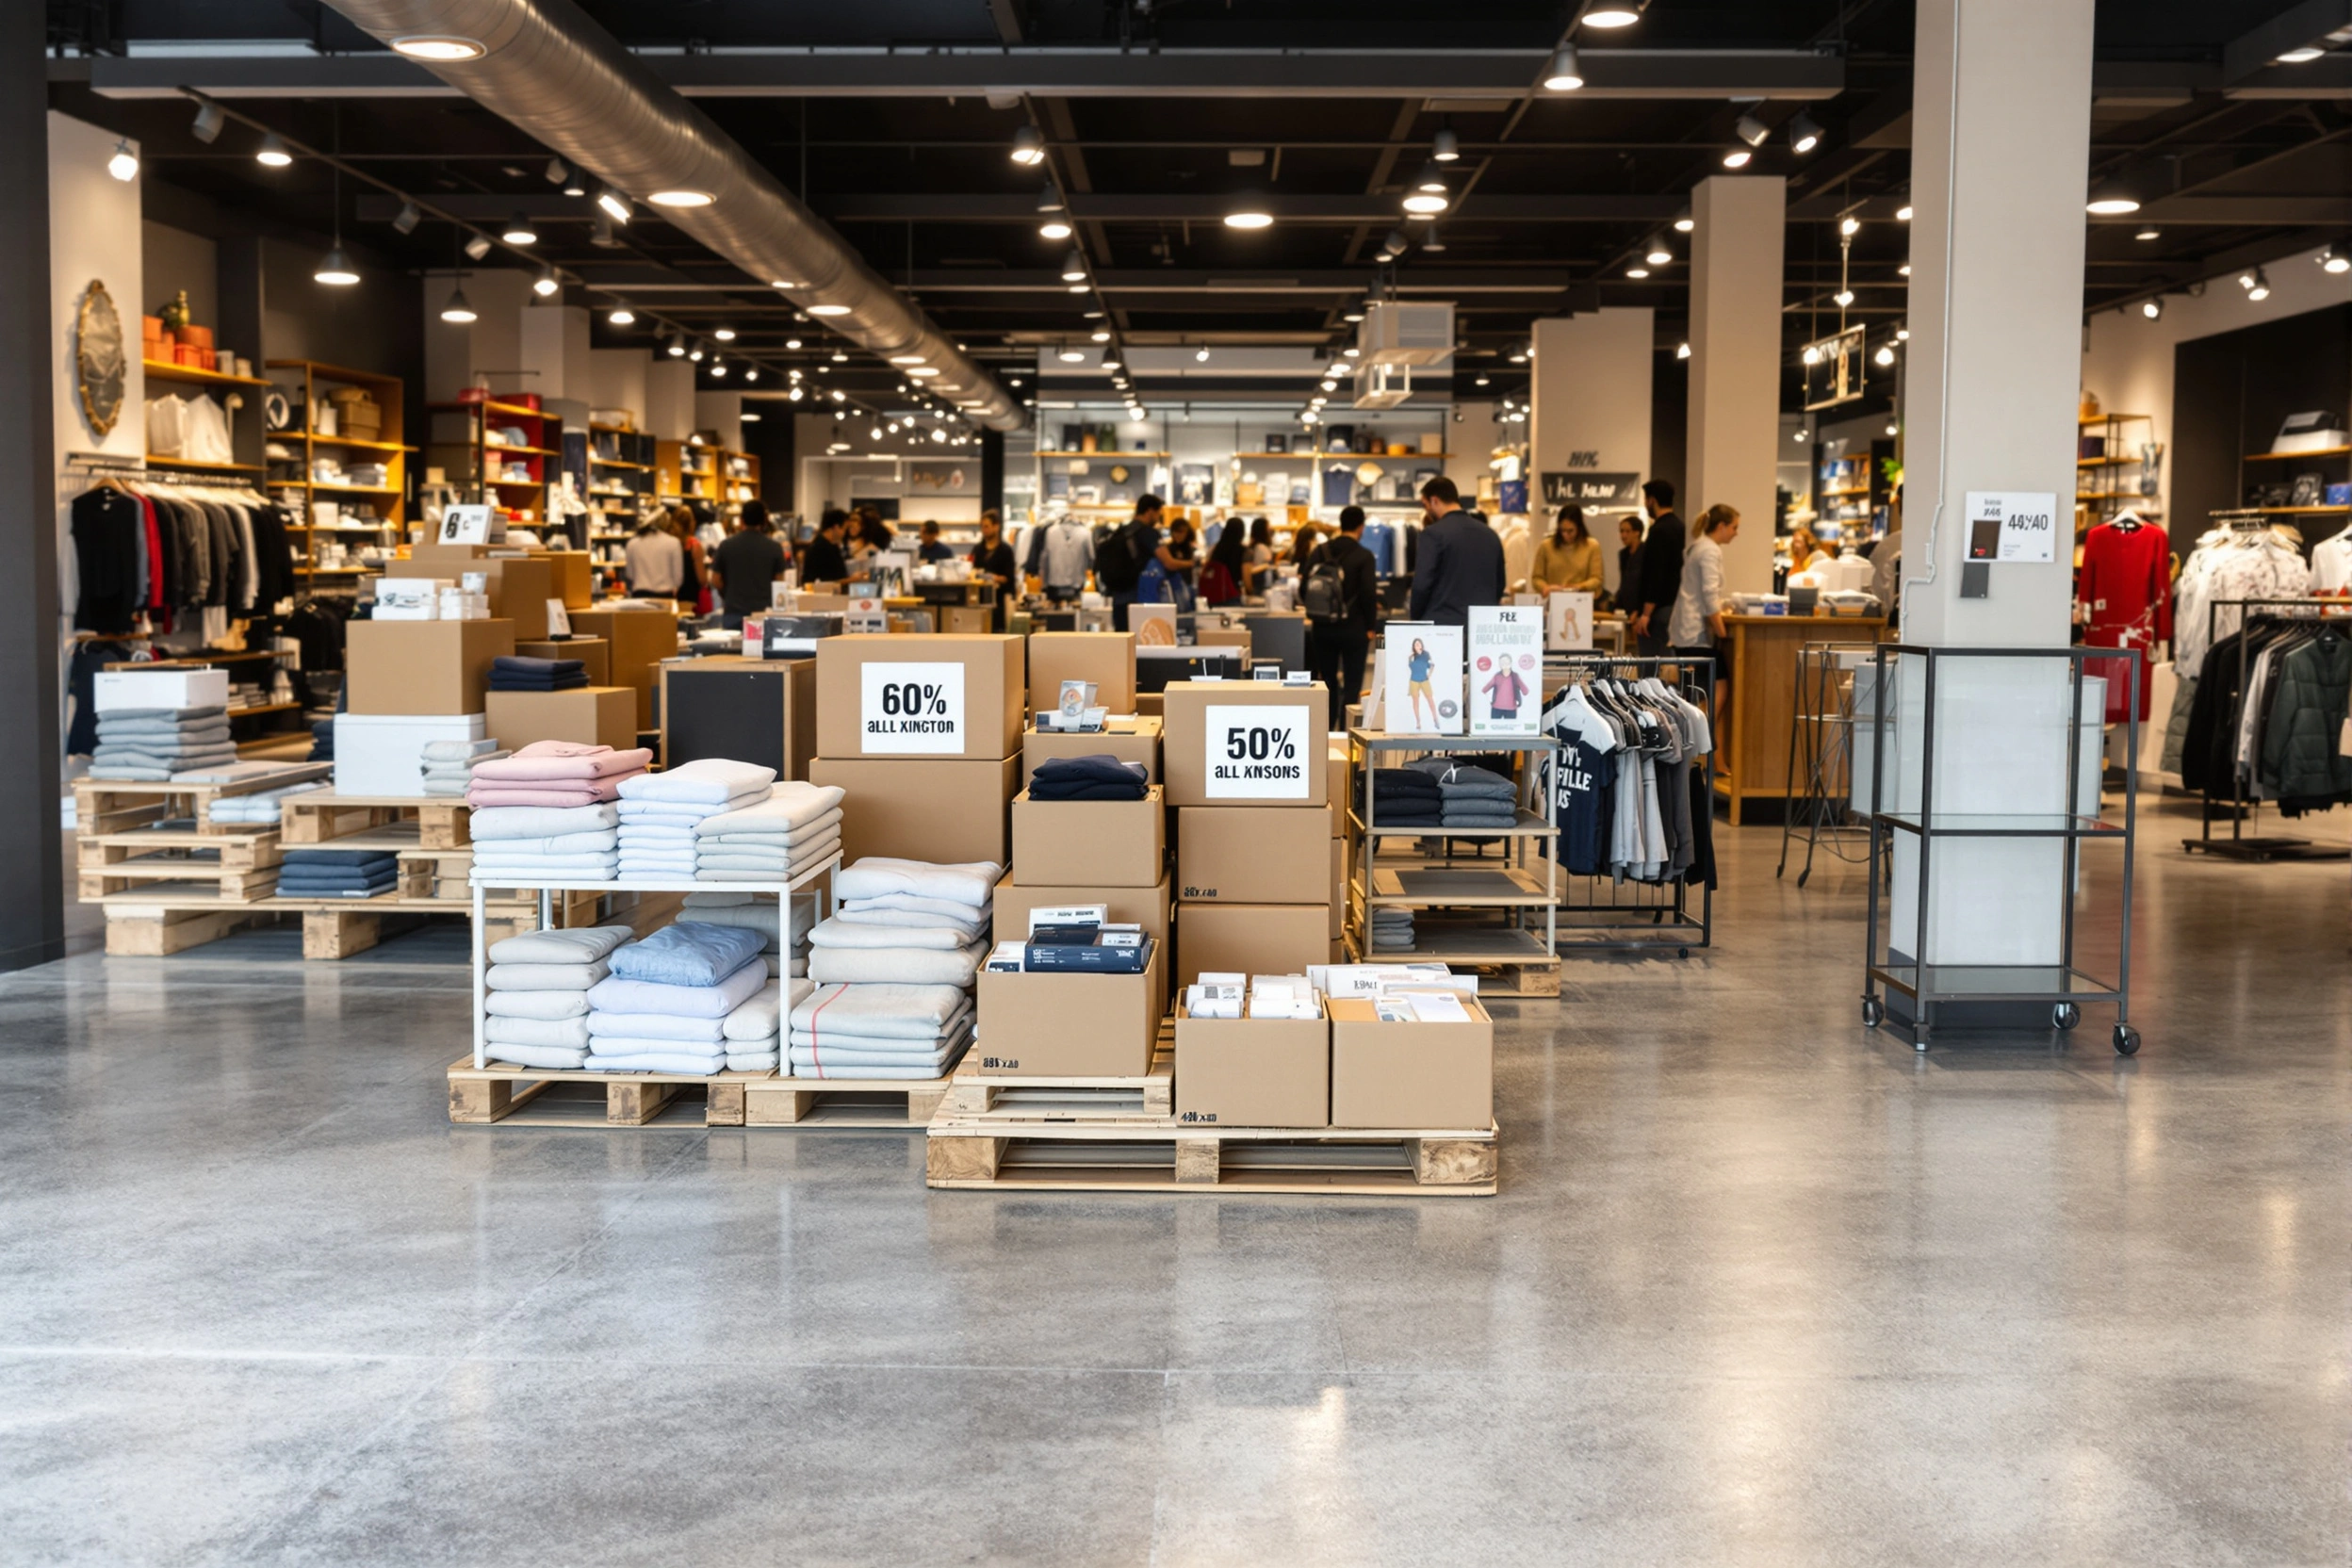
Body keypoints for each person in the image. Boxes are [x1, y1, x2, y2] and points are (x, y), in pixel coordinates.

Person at [1305, 505, 1380, 729]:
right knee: (1352, 684)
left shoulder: (1320, 551)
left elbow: (1304, 588)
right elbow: (1368, 594)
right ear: (1361, 527)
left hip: (1322, 627)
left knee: (1326, 682)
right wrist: (1370, 626)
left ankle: (1324, 733)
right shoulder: (1364, 556)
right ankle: (1346, 735)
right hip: (1354, 629)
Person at [1406, 474, 1505, 627]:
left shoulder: (1432, 534)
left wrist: (1417, 619)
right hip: (1483, 626)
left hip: (1443, 626)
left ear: (1434, 500)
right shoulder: (1490, 534)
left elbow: (1422, 585)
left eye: (1426, 506)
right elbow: (1500, 583)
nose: (1427, 511)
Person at [1670, 503, 1739, 680]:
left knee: (1691, 687)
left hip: (1683, 629)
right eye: (1734, 527)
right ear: (1721, 526)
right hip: (1694, 632)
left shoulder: (1698, 546)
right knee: (1719, 685)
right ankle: (1705, 710)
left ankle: (1699, 709)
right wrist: (1722, 633)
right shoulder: (1710, 550)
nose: (1736, 533)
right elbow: (1709, 593)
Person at [708, 500, 786, 627]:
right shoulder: (774, 548)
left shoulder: (726, 546)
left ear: (741, 520)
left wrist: (728, 593)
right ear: (764, 521)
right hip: (763, 615)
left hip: (733, 613)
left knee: (733, 646)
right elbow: (779, 583)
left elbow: (716, 580)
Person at [1094, 494, 1164, 631]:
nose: (1158, 518)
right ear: (1150, 511)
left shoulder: (1121, 532)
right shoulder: (1148, 533)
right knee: (1143, 645)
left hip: (1118, 598)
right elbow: (1168, 562)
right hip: (1140, 597)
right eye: (1158, 514)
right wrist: (1189, 563)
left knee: (1123, 644)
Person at [1632, 479, 1686, 657]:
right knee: (1669, 664)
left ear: (1651, 500)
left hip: (1657, 611)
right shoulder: (1680, 527)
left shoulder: (1658, 531)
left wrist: (1645, 614)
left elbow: (1655, 574)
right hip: (1675, 606)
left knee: (1651, 670)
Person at [1531, 505, 1604, 596]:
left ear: (1579, 528)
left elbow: (1596, 578)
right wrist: (1545, 587)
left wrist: (1579, 587)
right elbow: (1537, 578)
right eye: (1562, 530)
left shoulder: (1592, 546)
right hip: (1552, 599)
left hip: (1581, 600)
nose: (1566, 535)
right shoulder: (1546, 546)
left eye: (1570, 531)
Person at [1024, 509, 1094, 601]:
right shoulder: (1085, 532)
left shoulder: (1050, 531)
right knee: (1075, 610)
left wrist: (1044, 583)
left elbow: (1044, 558)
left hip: (1054, 582)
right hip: (1077, 582)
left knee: (1054, 612)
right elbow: (1092, 557)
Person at [969, 509, 1017, 630]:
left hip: (999, 603)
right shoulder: (978, 549)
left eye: (987, 526)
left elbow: (1009, 578)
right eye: (982, 527)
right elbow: (971, 570)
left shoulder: (1006, 550)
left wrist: (993, 578)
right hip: (979, 601)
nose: (984, 530)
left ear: (996, 526)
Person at [624, 510, 684, 600]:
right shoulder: (674, 543)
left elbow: (630, 574)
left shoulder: (632, 543)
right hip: (665, 595)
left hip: (639, 595)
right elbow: (678, 578)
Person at [670, 504, 709, 613]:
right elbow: (702, 579)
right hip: (690, 600)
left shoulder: (668, 543)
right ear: (692, 523)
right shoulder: (694, 545)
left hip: (670, 598)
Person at [1200, 521, 1248, 605]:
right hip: (1233, 591)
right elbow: (1245, 575)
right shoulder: (1242, 550)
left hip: (1214, 592)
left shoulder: (1216, 549)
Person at [799, 509, 852, 583]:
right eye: (844, 529)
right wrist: (854, 579)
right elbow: (828, 582)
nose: (844, 533)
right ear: (836, 527)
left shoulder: (828, 545)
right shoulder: (821, 549)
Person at [1405, 635, 1438, 730]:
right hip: (1414, 680)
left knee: (1430, 700)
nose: (1417, 645)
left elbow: (1432, 665)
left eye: (1419, 643)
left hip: (1424, 679)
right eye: (1416, 644)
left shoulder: (1426, 654)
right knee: (1416, 702)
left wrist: (1429, 674)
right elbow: (1410, 667)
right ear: (1414, 647)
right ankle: (1418, 722)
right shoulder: (1412, 657)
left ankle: (1435, 719)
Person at [1614, 514, 1643, 608]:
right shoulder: (1623, 554)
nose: (1623, 535)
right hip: (1626, 602)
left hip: (1639, 602)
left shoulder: (1646, 552)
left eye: (1627, 531)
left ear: (1637, 532)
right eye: (1621, 531)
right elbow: (1624, 581)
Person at [1245, 517, 1278, 594]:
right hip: (1261, 588)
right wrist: (1266, 565)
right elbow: (1253, 570)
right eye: (1268, 527)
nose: (1271, 529)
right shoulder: (1261, 548)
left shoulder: (1256, 546)